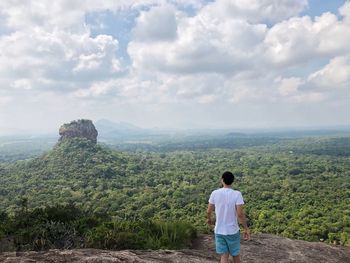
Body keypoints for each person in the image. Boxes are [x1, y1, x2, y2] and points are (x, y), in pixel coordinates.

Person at [207, 171, 250, 263]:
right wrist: (246, 229)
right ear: (232, 181)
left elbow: (209, 211)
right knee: (235, 255)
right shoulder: (237, 194)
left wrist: (209, 219)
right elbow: (240, 214)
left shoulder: (215, 193)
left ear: (222, 180)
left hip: (219, 230)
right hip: (233, 231)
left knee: (224, 256)